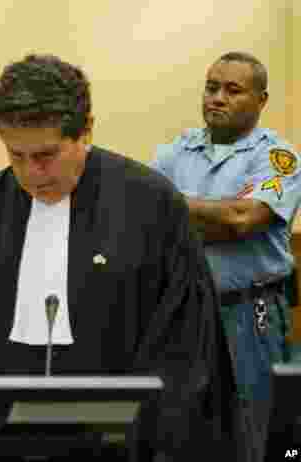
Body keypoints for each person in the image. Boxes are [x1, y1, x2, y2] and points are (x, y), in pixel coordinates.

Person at [0, 54, 236, 461]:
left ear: (85, 131)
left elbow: (182, 351)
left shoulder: (152, 207)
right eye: (16, 156)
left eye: (46, 155)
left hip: (125, 443)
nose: (32, 173)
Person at [151, 51, 300, 462]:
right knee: (185, 427)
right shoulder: (175, 152)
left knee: (257, 429)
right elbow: (150, 221)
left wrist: (177, 209)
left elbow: (242, 220)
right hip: (186, 312)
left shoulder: (276, 158)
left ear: (261, 100)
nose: (217, 97)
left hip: (251, 312)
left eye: (232, 90)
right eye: (211, 87)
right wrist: (215, 216)